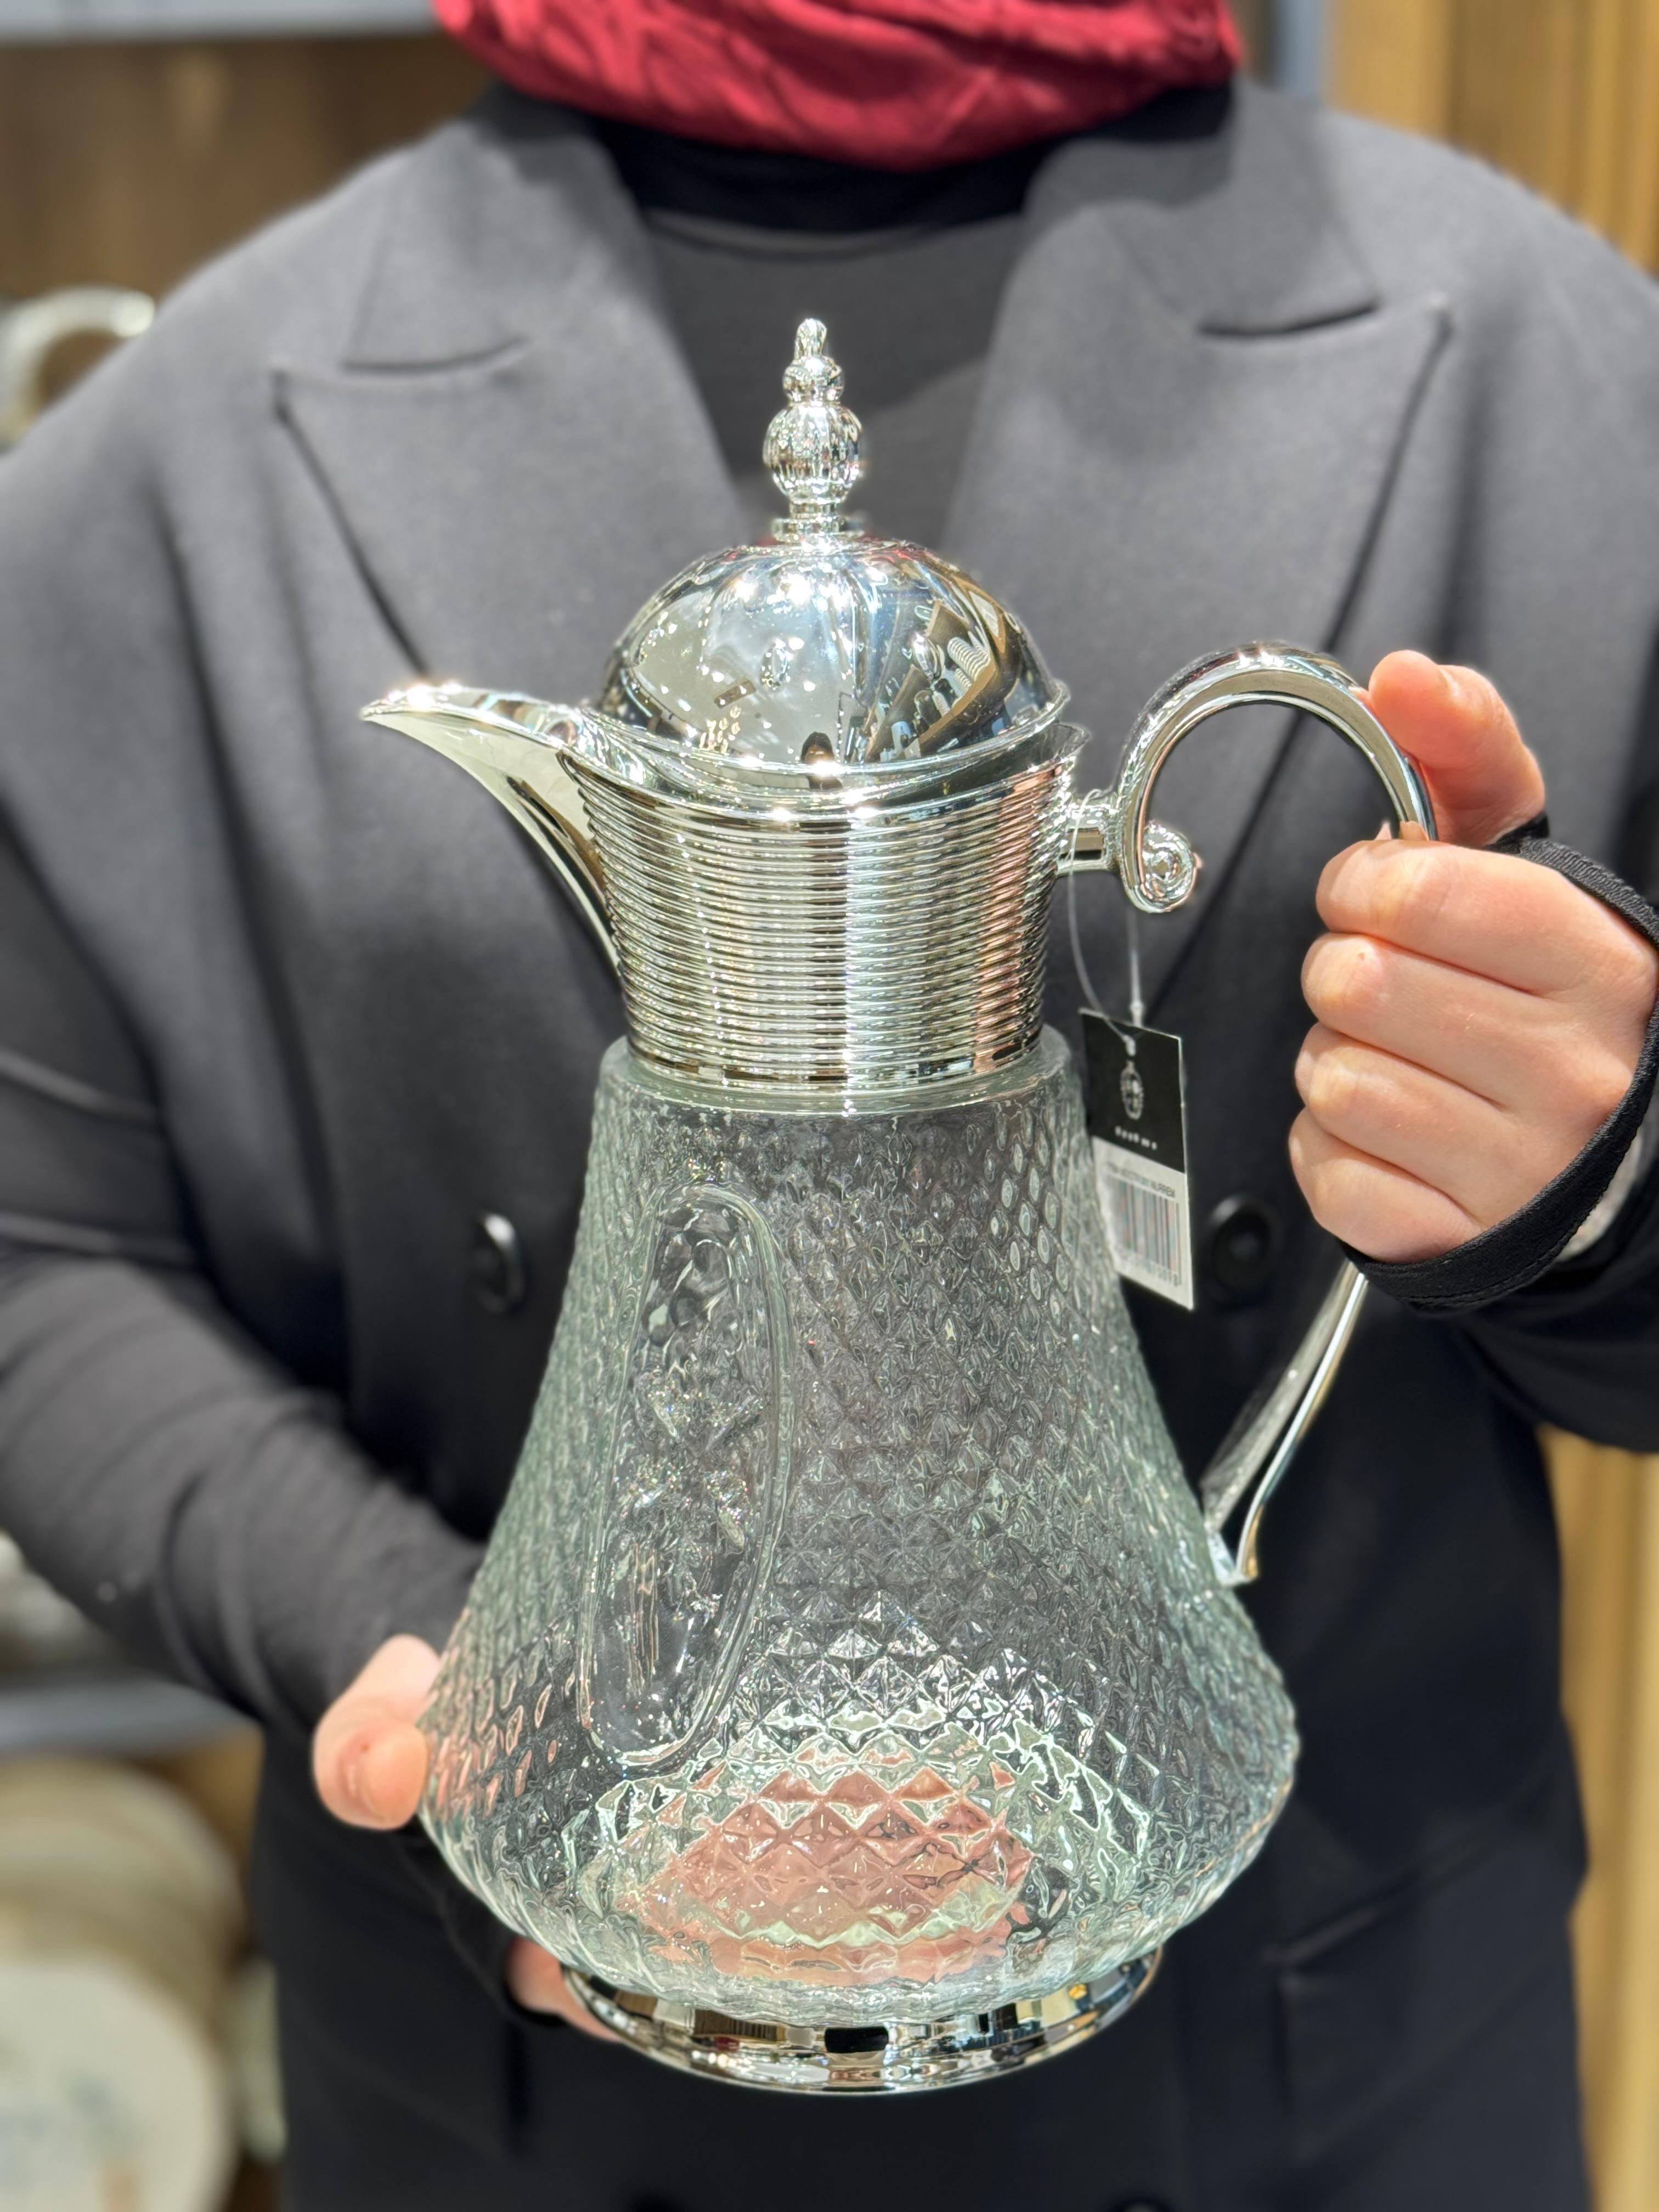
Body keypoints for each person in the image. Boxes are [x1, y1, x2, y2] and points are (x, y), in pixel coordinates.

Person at [1, 2, 1656, 2205]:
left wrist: (1604, 1181)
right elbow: (38, 1248)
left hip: (1327, 2070)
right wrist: (414, 1649)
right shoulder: (175, 448)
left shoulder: (1558, 365)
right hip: (512, 2103)